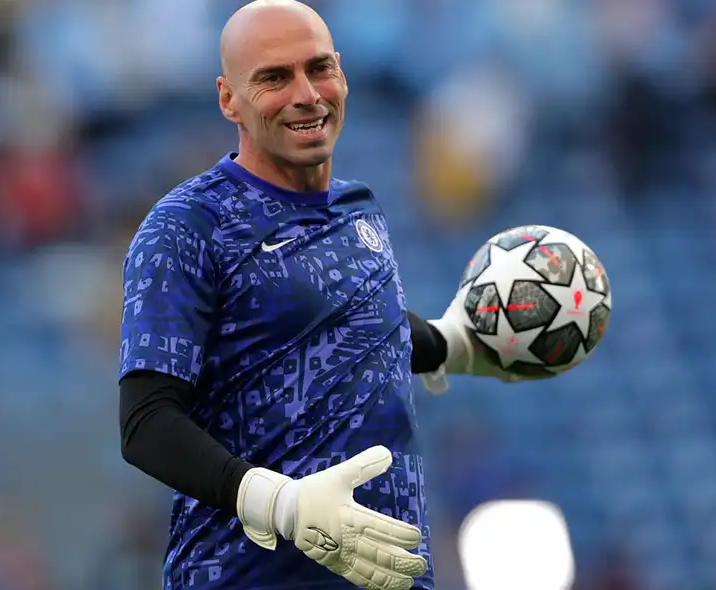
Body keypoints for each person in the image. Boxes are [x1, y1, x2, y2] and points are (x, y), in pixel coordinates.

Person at [117, 1, 512, 588]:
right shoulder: (188, 224)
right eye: (274, 77)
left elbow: (353, 321)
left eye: (319, 68)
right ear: (229, 100)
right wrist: (279, 503)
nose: (306, 93)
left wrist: (453, 343)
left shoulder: (359, 209)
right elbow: (145, 422)